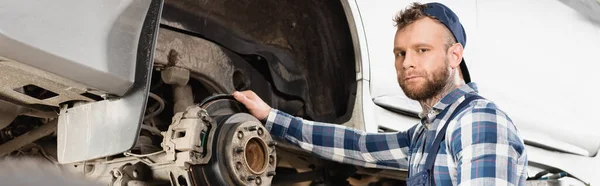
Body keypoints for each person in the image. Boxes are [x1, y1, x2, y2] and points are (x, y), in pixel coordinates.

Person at [233, 2, 527, 185]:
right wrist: (271, 117)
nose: (407, 62)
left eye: (422, 50)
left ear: (454, 56)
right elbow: (358, 146)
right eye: (400, 53)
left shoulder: (478, 121)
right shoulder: (425, 135)